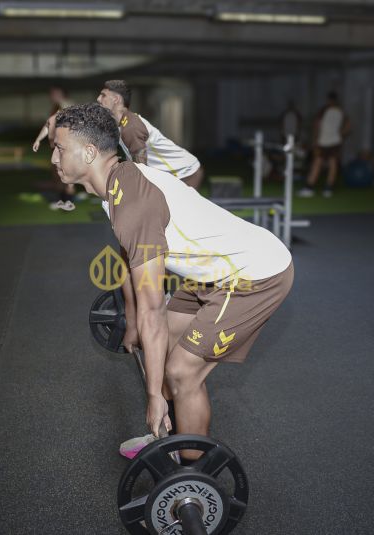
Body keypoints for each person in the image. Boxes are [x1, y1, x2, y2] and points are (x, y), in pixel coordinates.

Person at [51, 103, 293, 461]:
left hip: (253, 274)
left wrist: (152, 396)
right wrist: (131, 318)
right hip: (214, 271)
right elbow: (129, 257)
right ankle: (167, 438)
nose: (54, 158)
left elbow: (152, 307)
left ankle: (191, 478)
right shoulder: (116, 185)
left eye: (59, 148)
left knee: (181, 372)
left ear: (88, 153)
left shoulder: (134, 201)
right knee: (162, 349)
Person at [97, 80, 204, 189]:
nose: (98, 99)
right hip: (173, 175)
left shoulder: (131, 127)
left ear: (116, 99)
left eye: (103, 95)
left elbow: (141, 164)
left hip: (184, 172)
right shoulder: (123, 124)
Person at [298, 91, 350, 198]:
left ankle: (309, 188)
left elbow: (316, 125)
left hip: (323, 141)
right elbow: (348, 125)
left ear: (329, 100)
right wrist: (340, 135)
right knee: (332, 164)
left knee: (317, 163)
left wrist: (315, 141)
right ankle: (328, 189)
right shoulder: (341, 111)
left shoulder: (324, 110)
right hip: (335, 141)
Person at [32, 87, 77, 211]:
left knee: (67, 176)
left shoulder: (66, 106)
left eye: (54, 93)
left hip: (67, 147)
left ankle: (67, 203)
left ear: (61, 94)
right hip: (60, 146)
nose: (51, 95)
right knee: (59, 174)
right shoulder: (58, 106)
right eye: (51, 93)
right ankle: (64, 201)